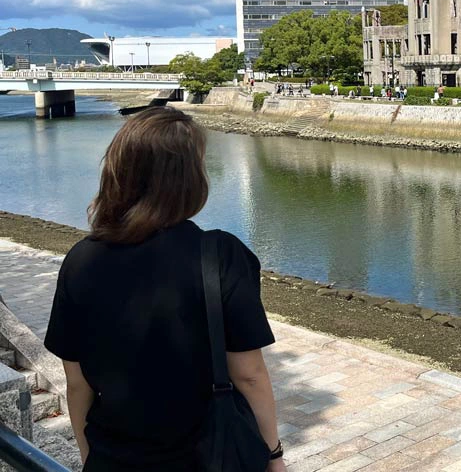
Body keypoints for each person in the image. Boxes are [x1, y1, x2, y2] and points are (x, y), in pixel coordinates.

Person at [44, 107, 286, 472]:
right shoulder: (219, 254)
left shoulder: (81, 260)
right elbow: (249, 374)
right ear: (188, 178)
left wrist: (89, 456)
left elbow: (77, 384)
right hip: (210, 458)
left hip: (117, 458)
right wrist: (273, 456)